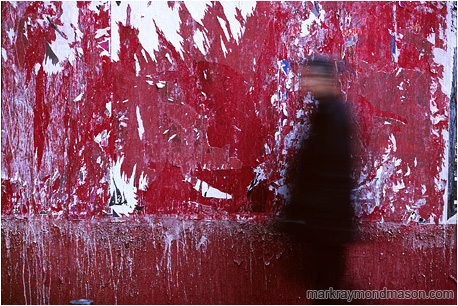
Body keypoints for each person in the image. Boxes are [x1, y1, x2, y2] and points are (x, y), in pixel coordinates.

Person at [280, 56, 355, 304]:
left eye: (310, 77)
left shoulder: (332, 116)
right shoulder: (326, 114)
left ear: (326, 81)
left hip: (327, 222)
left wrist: (303, 212)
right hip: (325, 221)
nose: (305, 82)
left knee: (327, 291)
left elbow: (328, 172)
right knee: (326, 288)